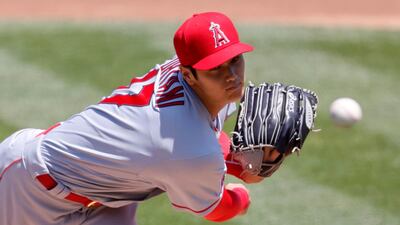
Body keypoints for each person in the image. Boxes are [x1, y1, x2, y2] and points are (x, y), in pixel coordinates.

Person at [0, 12, 279, 225]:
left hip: (104, 194)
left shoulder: (184, 75)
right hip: (29, 186)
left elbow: (196, 133)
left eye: (234, 60)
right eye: (215, 68)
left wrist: (238, 162)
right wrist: (242, 196)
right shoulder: (186, 148)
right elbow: (216, 207)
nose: (231, 75)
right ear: (188, 75)